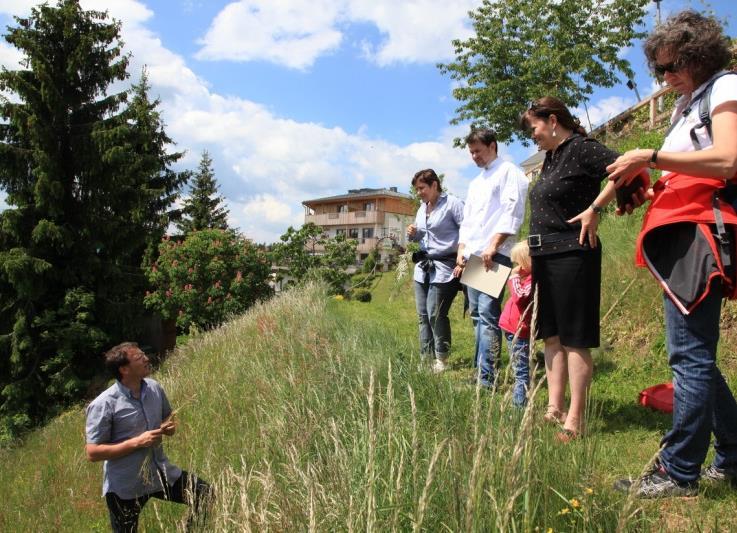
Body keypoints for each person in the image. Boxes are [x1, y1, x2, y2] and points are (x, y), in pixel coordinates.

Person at [607, 10, 737, 498]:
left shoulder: (724, 88)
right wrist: (649, 187)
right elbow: (689, 169)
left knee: (690, 357)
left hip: (698, 236)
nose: (667, 76)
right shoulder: (688, 106)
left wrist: (651, 157)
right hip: (678, 234)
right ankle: (732, 455)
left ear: (701, 54)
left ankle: (678, 472)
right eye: (660, 69)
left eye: (675, 64)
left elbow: (728, 160)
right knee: (695, 356)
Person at [520, 97, 625, 442]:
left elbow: (626, 168)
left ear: (552, 120)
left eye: (533, 128)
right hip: (545, 256)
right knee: (551, 335)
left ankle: (575, 420)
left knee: (575, 338)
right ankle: (554, 408)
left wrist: (596, 208)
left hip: (573, 253)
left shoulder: (581, 148)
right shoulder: (550, 158)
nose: (531, 136)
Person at [85, 342, 212, 531]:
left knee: (205, 494)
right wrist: (137, 442)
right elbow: (93, 452)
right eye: (139, 357)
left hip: (160, 473)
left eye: (144, 354)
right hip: (126, 486)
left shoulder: (154, 388)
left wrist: (168, 427)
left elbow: (167, 417)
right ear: (124, 369)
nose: (146, 359)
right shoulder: (104, 404)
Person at [456, 129, 528, 388]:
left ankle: (487, 379)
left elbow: (513, 211)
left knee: (487, 315)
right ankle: (479, 372)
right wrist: (461, 252)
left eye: (478, 151)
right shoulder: (476, 183)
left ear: (493, 146)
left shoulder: (509, 172)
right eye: (471, 152)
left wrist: (493, 245)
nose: (474, 156)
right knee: (476, 315)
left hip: (493, 254)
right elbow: (469, 221)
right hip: (474, 254)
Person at [407, 169, 465, 372]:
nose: (419, 193)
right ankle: (426, 357)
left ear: (434, 185)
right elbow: (420, 237)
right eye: (417, 189)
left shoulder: (453, 204)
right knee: (423, 315)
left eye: (421, 188)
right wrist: (412, 233)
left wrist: (462, 259)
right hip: (423, 268)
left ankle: (441, 359)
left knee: (435, 313)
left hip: (445, 268)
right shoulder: (421, 209)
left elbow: (468, 230)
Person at [499, 240, 534, 407]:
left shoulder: (532, 281)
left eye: (518, 263)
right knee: (517, 367)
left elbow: (520, 297)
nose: (516, 266)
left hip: (519, 329)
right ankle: (520, 402)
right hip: (512, 328)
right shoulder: (526, 278)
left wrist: (513, 278)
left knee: (521, 372)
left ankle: (519, 407)